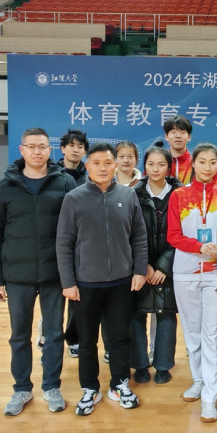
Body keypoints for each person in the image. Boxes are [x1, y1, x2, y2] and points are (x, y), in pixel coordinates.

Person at [0, 127, 77, 416]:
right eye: (31, 146)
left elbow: (74, 231)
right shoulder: (5, 186)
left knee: (54, 334)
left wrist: (72, 275)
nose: (37, 151)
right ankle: (22, 388)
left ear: (50, 150)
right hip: (17, 275)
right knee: (19, 335)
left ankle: (51, 386)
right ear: (22, 150)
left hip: (54, 274)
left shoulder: (64, 183)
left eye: (42, 146)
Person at [56, 142, 148, 416]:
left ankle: (120, 384)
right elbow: (63, 243)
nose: (103, 168)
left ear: (116, 165)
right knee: (87, 341)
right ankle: (90, 388)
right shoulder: (73, 198)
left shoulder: (128, 196)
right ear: (87, 166)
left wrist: (139, 270)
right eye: (96, 163)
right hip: (85, 284)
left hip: (121, 283)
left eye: (108, 163)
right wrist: (68, 282)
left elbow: (139, 236)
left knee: (120, 338)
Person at [167, 142, 217, 423]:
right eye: (202, 162)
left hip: (216, 273)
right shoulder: (178, 195)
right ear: (193, 164)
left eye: (213, 162)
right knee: (192, 331)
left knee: (213, 332)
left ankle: (210, 395)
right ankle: (198, 379)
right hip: (185, 271)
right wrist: (198, 246)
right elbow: (173, 235)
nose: (208, 167)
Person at [131, 142, 183, 385]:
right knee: (136, 316)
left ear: (169, 167)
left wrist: (163, 266)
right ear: (145, 167)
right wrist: (144, 266)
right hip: (139, 267)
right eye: (151, 164)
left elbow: (183, 232)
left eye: (161, 164)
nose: (155, 169)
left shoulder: (180, 195)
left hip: (170, 265)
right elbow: (129, 233)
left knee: (166, 316)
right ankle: (140, 364)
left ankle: (163, 366)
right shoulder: (133, 194)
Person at [57, 128, 90, 360]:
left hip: (82, 244)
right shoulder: (52, 173)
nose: (75, 150)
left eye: (80, 146)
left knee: (77, 298)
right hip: (57, 241)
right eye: (71, 145)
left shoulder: (89, 176)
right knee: (53, 301)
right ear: (63, 148)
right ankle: (47, 341)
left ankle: (73, 338)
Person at [164, 115, 193, 185]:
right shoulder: (159, 162)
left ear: (189, 137)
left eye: (182, 132)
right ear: (166, 136)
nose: (178, 136)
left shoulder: (195, 162)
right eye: (173, 132)